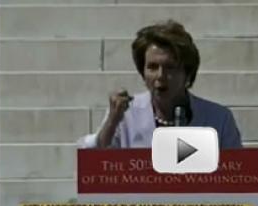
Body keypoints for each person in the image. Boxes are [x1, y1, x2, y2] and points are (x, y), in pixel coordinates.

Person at [77, 20, 242, 149]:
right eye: (152, 67)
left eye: (170, 67)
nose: (160, 76)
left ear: (187, 72)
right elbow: (93, 161)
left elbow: (238, 175)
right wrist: (112, 122)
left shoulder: (219, 118)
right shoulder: (124, 114)